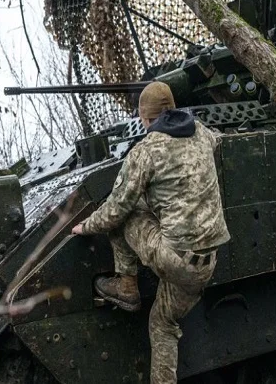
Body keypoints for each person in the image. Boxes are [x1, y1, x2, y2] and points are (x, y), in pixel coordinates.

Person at [71, 81, 230, 384]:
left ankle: (127, 285)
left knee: (122, 213)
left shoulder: (145, 152)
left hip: (173, 259)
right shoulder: (201, 133)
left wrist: (86, 225)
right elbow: (217, 139)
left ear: (145, 119)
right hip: (206, 262)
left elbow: (115, 211)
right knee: (162, 322)